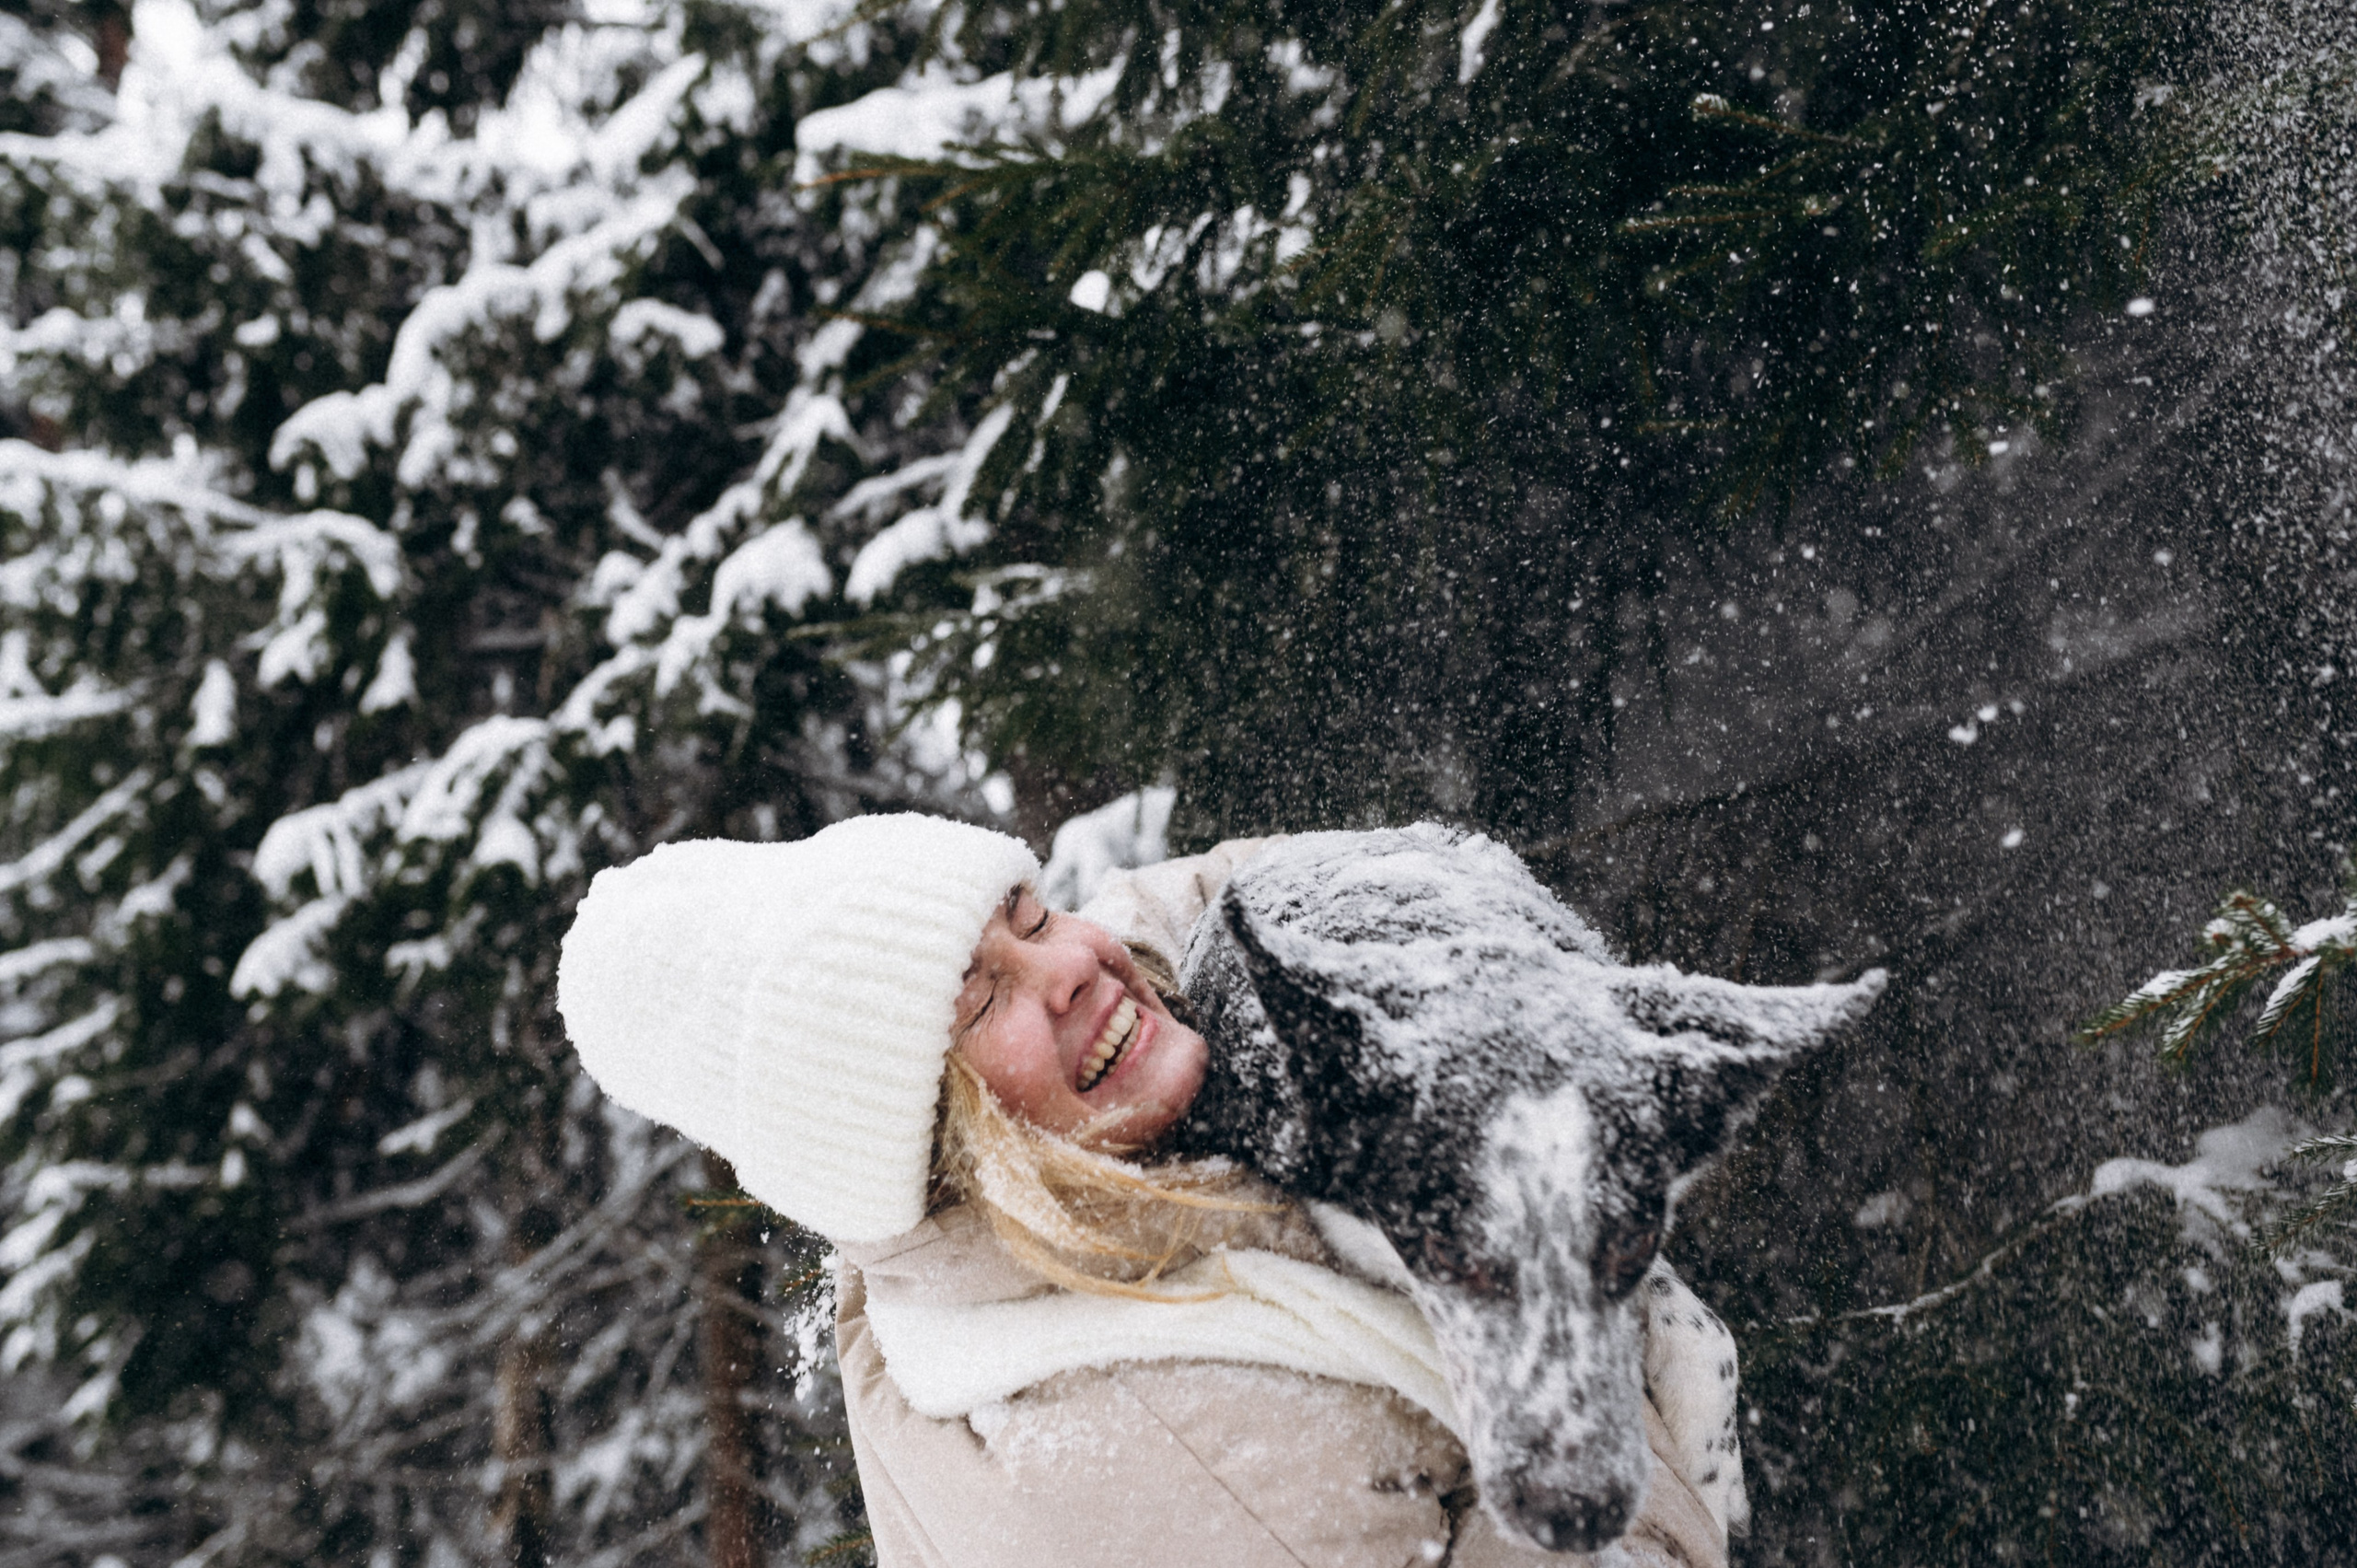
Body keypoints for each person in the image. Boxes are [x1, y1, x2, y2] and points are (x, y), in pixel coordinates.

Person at [559, 814, 1739, 1568]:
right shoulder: (1158, 1465)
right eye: (981, 1001)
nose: (1073, 966)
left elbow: (1195, 896)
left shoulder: (994, 1214)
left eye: (1030, 916)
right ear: (928, 1148)